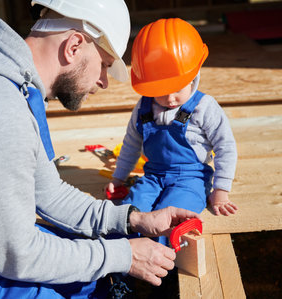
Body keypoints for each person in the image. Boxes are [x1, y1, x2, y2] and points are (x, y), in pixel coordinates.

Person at [0, 1, 201, 298]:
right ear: (74, 46)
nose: (104, 82)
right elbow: (18, 255)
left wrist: (131, 220)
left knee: (86, 276)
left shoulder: (10, 86)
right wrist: (124, 255)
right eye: (105, 66)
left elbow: (48, 193)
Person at [105, 18, 238, 245]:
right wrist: (119, 177)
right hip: (153, 177)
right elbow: (130, 144)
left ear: (193, 74)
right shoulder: (144, 107)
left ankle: (165, 256)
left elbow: (226, 147)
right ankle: (126, 256)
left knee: (171, 212)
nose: (169, 98)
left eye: (176, 88)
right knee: (132, 209)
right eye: (160, 90)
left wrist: (221, 190)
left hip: (191, 179)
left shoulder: (204, 107)